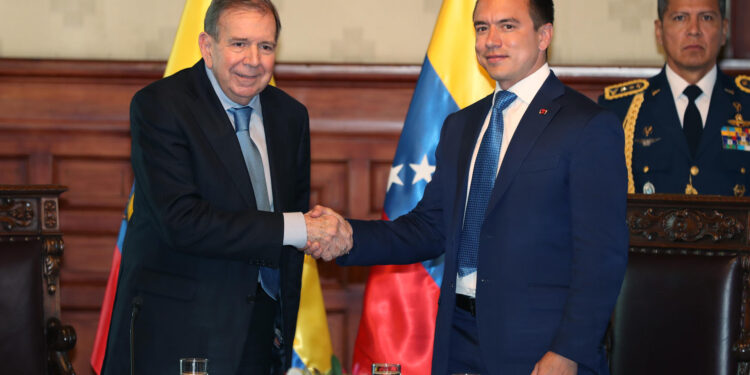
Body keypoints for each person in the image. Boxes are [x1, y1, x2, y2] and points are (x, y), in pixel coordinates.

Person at [306, 0, 628, 374]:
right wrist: (349, 237)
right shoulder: (461, 125)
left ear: (544, 35)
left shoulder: (587, 125)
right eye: (481, 28)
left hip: (541, 347)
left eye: (508, 26)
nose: (491, 40)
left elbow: (601, 257)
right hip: (457, 337)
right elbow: (428, 228)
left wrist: (569, 351)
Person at [101, 1, 335, 374]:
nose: (253, 60)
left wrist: (282, 324)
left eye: (266, 46)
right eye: (239, 44)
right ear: (207, 47)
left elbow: (291, 229)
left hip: (263, 333)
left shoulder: (290, 116)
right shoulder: (161, 106)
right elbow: (182, 221)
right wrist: (301, 227)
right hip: (180, 332)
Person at [599, 0, 750, 196]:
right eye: (680, 18)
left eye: (706, 18)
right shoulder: (622, 110)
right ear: (659, 31)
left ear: (724, 31)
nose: (694, 30)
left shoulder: (746, 103)